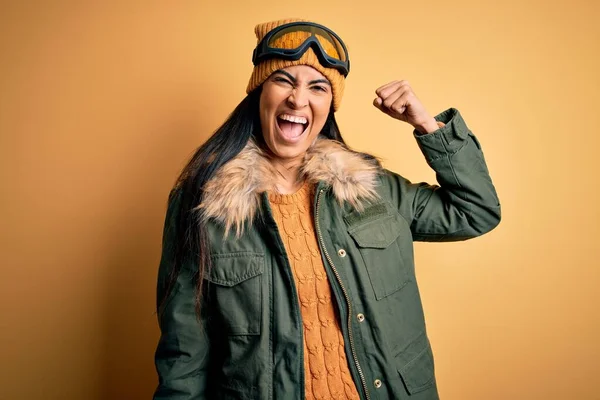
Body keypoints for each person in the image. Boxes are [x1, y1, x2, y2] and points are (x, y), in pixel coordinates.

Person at [153, 18, 501, 400]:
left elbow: (476, 211)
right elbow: (185, 359)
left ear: (329, 105)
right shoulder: (202, 207)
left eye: (317, 87)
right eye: (283, 80)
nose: (298, 100)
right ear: (259, 92)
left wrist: (427, 125)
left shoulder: (372, 190)